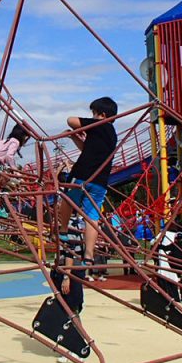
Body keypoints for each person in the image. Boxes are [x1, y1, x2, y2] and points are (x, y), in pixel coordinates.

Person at [63, 97, 118, 267]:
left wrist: (86, 125)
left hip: (82, 175)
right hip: (100, 181)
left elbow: (71, 120)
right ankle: (89, 254)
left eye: (93, 113)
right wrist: (74, 137)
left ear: (102, 114)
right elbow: (86, 149)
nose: (92, 117)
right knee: (92, 217)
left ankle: (62, 231)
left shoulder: (99, 124)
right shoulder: (111, 135)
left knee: (66, 199)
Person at [51, 212, 86, 360]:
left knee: (71, 309)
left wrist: (67, 276)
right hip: (62, 270)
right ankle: (69, 342)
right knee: (64, 309)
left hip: (71, 272)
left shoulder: (71, 225)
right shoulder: (64, 224)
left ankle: (79, 345)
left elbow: (71, 253)